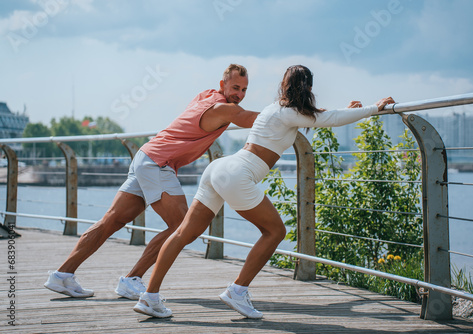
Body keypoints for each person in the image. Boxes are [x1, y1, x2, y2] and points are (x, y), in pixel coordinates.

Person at [132, 65, 395, 319]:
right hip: (239, 174)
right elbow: (330, 120)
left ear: (284, 86)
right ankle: (238, 290)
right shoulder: (291, 113)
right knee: (275, 232)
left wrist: (347, 110)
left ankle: (149, 297)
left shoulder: (276, 109)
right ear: (309, 87)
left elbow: (317, 115)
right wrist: (375, 108)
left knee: (182, 233)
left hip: (219, 168)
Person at [44, 64, 259, 299]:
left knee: (111, 221)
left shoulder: (205, 95)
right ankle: (132, 279)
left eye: (244, 90)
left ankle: (62, 275)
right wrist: (287, 113)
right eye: (235, 87)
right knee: (182, 226)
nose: (239, 94)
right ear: (223, 85)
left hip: (146, 155)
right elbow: (250, 119)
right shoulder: (222, 108)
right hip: (158, 162)